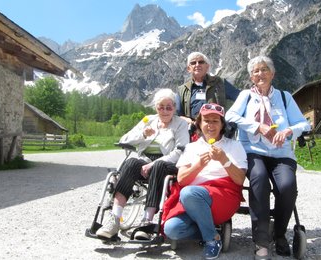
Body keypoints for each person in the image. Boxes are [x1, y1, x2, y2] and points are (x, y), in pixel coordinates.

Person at [225, 56, 311, 259]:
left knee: (287, 187)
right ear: (251, 76)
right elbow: (230, 116)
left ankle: (279, 234)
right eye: (255, 71)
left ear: (272, 74)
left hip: (282, 153)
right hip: (253, 150)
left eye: (264, 70)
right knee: (259, 181)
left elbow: (303, 124)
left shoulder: (284, 96)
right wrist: (257, 126)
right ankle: (261, 240)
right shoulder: (246, 96)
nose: (260, 74)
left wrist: (289, 131)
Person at [96, 88, 189, 240]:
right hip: (145, 160)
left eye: (169, 107)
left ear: (174, 108)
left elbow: (180, 151)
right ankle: (114, 220)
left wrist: (154, 164)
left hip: (167, 164)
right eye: (161, 107)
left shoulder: (180, 124)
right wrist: (143, 134)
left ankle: (146, 222)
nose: (165, 111)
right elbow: (124, 139)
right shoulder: (148, 120)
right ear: (156, 108)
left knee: (158, 167)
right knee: (131, 162)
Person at [162, 103, 247, 259]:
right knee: (171, 229)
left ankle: (212, 240)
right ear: (199, 124)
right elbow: (181, 179)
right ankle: (212, 231)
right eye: (206, 120)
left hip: (223, 197)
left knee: (189, 193)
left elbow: (240, 179)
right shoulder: (191, 147)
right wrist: (199, 165)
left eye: (215, 121)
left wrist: (225, 160)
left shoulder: (234, 146)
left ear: (222, 125)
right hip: (192, 199)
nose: (210, 125)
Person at [175, 52, 240, 140]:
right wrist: (188, 121)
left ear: (207, 66)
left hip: (218, 132)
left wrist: (230, 118)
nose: (197, 65)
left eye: (201, 62)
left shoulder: (220, 83)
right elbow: (177, 114)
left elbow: (240, 98)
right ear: (188, 69)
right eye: (193, 63)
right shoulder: (182, 89)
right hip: (193, 134)